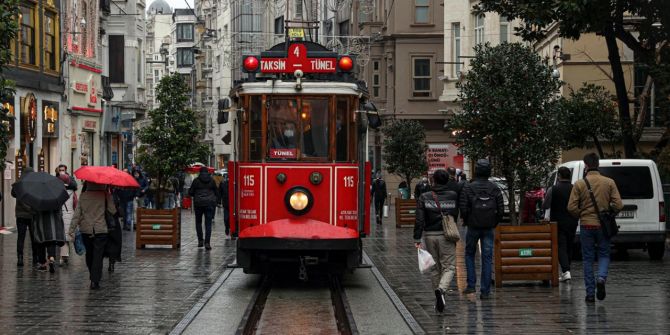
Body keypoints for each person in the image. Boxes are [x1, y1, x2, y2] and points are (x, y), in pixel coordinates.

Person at [567, 153, 623, 302]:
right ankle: (601, 279)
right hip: (603, 226)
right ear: (598, 164)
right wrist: (610, 213)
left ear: (586, 166)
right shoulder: (609, 182)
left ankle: (590, 294)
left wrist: (582, 214)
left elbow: (571, 207)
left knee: (587, 259)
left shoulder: (580, 184)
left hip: (587, 225)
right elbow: (618, 205)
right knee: (604, 254)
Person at [414, 169, 459, 313]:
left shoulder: (424, 196)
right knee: (449, 267)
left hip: (429, 235)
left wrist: (417, 237)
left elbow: (419, 219)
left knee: (434, 268)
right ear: (447, 180)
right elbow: (455, 215)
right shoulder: (453, 196)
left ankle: (438, 296)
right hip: (446, 235)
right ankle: (441, 290)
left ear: (434, 181)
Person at [459, 159, 504, 299]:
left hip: (473, 226)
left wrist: (467, 220)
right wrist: (494, 222)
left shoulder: (468, 187)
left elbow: (463, 207)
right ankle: (485, 291)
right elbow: (501, 209)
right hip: (488, 227)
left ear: (476, 171)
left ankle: (471, 285)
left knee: (469, 254)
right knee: (487, 257)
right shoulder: (494, 188)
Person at [69, 182, 117, 289]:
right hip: (101, 229)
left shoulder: (83, 196)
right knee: (98, 255)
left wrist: (71, 230)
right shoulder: (105, 195)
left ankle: (93, 275)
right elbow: (112, 210)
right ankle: (95, 280)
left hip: (86, 229)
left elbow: (77, 214)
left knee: (89, 254)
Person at [542, 167, 579, 282]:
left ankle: (566, 271)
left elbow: (545, 205)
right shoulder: (575, 189)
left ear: (559, 176)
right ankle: (567, 270)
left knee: (560, 246)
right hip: (572, 221)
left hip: (557, 222)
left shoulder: (553, 189)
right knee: (569, 245)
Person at [12, 167, 37, 268]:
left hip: (20, 215)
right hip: (32, 215)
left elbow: (13, 193)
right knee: (34, 237)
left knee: (21, 238)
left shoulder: (19, 183)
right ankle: (35, 258)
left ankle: (20, 258)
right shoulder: (34, 184)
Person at [188, 166, 220, 250]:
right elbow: (217, 192)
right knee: (208, 224)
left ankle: (200, 241)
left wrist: (194, 194)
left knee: (198, 222)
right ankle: (207, 243)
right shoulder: (212, 181)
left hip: (198, 204)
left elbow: (190, 192)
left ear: (200, 172)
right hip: (209, 203)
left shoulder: (196, 181)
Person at [59, 174, 77, 266]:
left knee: (62, 236)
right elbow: (75, 204)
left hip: (60, 215)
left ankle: (64, 255)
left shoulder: (58, 191)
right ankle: (65, 255)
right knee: (66, 236)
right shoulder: (72, 192)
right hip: (70, 215)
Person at [219, 172, 230, 237]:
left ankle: (231, 229)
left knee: (231, 218)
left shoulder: (234, 183)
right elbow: (220, 192)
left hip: (233, 204)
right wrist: (219, 201)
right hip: (226, 203)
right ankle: (227, 228)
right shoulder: (222, 184)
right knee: (226, 218)